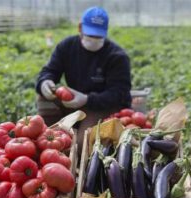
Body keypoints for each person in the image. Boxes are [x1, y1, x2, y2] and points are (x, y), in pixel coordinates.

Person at [35, 6, 132, 153]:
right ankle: (50, 134)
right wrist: (45, 82)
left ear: (105, 32)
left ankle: (74, 148)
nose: (93, 40)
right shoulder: (67, 47)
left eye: (98, 36)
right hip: (73, 101)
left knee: (81, 145)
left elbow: (120, 94)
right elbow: (49, 71)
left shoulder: (117, 56)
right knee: (44, 97)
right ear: (80, 28)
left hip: (102, 105)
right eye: (90, 34)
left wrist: (87, 100)